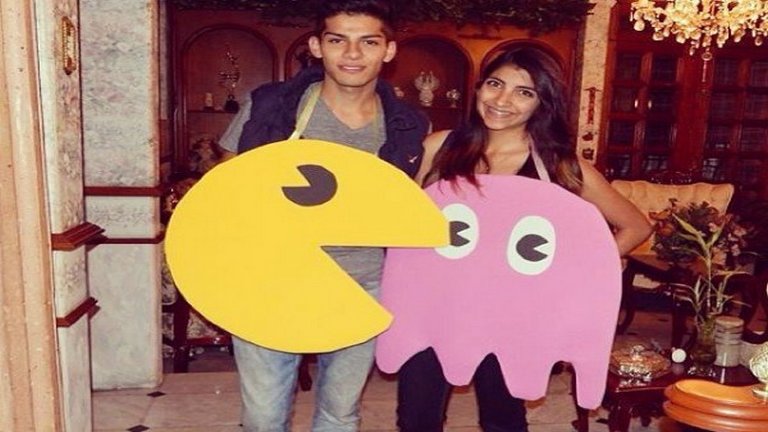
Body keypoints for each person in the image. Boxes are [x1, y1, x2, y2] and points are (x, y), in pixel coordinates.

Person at [395, 46, 652, 432]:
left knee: (503, 420)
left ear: (541, 104)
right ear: (479, 87)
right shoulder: (439, 147)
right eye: (495, 84)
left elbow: (635, 226)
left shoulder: (559, 165)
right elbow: (403, 226)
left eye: (524, 92)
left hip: (512, 315)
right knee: (416, 420)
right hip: (434, 308)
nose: (502, 100)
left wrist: (580, 272)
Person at [217, 1, 430, 431]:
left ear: (388, 50)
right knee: (263, 417)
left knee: (340, 413)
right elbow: (226, 186)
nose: (352, 54)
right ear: (317, 46)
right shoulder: (271, 106)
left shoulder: (408, 124)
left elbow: (411, 204)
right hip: (272, 281)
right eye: (338, 40)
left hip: (362, 285)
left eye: (368, 42)